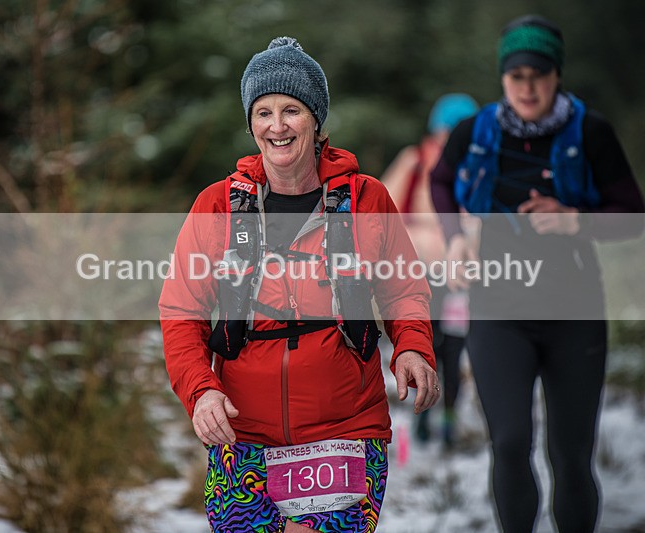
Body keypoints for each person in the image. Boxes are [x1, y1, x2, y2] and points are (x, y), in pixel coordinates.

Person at [159, 36, 439, 533]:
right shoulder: (218, 205)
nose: (277, 126)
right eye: (263, 112)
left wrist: (412, 347)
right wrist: (200, 391)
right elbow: (182, 311)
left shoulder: (365, 198)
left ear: (315, 120)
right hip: (242, 434)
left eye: (291, 110)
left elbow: (403, 291)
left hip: (345, 430)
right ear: (250, 124)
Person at [430, 15, 645, 533]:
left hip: (574, 310)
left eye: (539, 74)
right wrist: (456, 238)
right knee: (507, 443)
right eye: (517, 75)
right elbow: (441, 181)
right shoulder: (475, 130)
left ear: (557, 76)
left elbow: (633, 216)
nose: (528, 87)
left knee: (570, 455)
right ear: (503, 78)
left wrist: (576, 221)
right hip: (498, 308)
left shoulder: (590, 132)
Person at [381, 93, 479, 447]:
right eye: (447, 131)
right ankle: (424, 412)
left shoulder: (477, 165)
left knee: (454, 346)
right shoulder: (415, 161)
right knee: (423, 342)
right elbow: (381, 207)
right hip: (418, 272)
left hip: (459, 275)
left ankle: (449, 412)